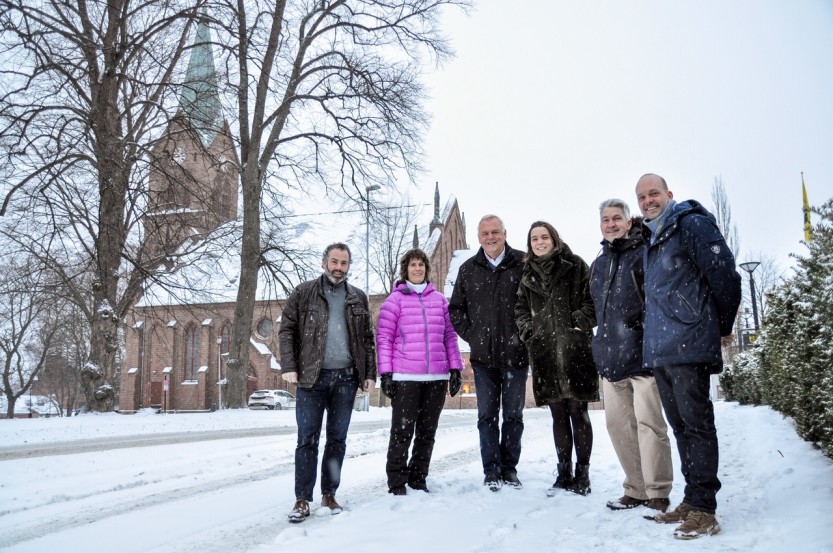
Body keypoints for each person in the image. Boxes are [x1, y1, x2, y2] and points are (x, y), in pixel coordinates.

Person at [635, 173, 741, 540]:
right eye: (641, 197)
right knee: (680, 426)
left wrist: (719, 326)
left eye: (653, 194)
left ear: (669, 194)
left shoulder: (690, 224)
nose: (647, 201)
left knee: (697, 425)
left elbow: (725, 276)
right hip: (661, 348)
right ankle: (692, 498)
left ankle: (705, 509)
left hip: (688, 343)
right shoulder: (652, 238)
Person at [278, 242, 377, 523]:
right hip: (311, 379)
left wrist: (369, 373)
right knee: (307, 439)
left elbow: (367, 339)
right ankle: (302, 499)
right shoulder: (304, 292)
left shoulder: (358, 297)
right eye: (334, 262)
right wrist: (289, 366)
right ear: (324, 262)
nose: (338, 268)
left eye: (344, 263)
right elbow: (287, 330)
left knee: (337, 440)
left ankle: (329, 494)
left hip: (346, 379)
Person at [589, 199, 673, 512]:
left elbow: (657, 302)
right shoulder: (599, 264)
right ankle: (636, 488)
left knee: (650, 426)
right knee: (618, 426)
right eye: (605, 220)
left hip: (642, 357)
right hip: (610, 359)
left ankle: (658, 491)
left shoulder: (644, 253)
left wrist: (648, 338)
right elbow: (595, 310)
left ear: (628, 222)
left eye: (616, 218)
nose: (611, 224)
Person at [514, 221, 598, 496]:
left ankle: (582, 474)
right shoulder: (527, 275)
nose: (540, 242)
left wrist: (577, 323)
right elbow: (520, 310)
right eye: (534, 239)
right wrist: (530, 332)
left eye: (544, 237)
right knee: (558, 415)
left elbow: (592, 301)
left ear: (554, 239)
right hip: (545, 353)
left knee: (578, 413)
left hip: (575, 351)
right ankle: (564, 473)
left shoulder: (575, 265)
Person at [449, 215, 528, 491]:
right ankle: (491, 470)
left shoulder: (523, 263)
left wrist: (524, 336)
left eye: (495, 232)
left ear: (505, 233)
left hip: (516, 357)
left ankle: (509, 469)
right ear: (479, 237)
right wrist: (474, 336)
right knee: (487, 417)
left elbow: (536, 304)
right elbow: (456, 310)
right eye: (485, 233)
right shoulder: (468, 269)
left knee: (514, 416)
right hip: (483, 360)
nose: (490, 237)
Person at [376, 249, 464, 495]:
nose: (417, 269)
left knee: (427, 432)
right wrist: (386, 373)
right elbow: (384, 339)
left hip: (436, 377)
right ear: (406, 269)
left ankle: (418, 478)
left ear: (426, 268)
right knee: (402, 431)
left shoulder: (440, 300)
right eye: (413, 265)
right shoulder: (394, 301)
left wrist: (455, 368)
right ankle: (396, 482)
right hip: (406, 377)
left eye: (421, 265)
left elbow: (449, 336)